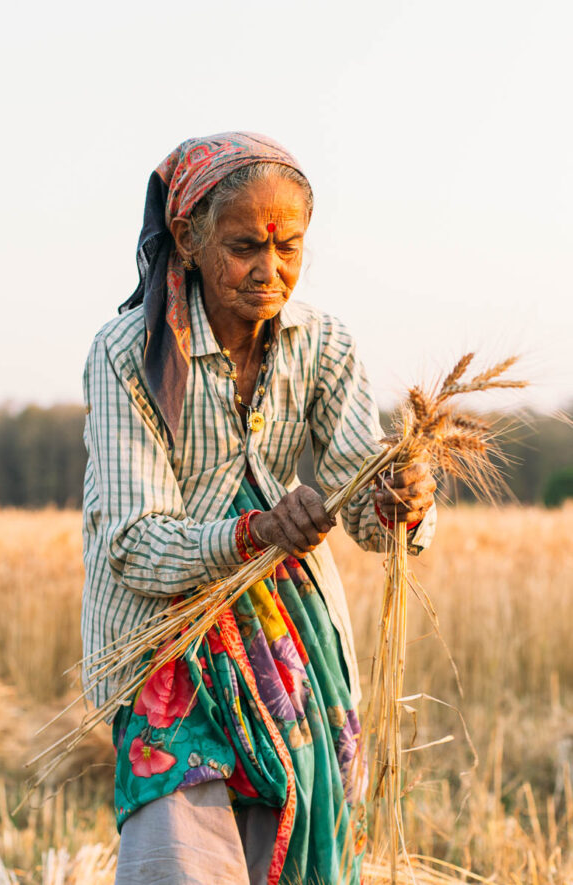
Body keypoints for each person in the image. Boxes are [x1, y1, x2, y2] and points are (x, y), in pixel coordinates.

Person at [81, 132, 436, 885]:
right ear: (188, 237)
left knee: (293, 825)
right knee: (178, 841)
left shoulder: (325, 346)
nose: (270, 270)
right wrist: (255, 530)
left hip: (291, 641)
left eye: (289, 247)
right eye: (245, 246)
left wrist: (402, 503)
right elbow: (135, 543)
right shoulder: (128, 356)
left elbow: (367, 509)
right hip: (167, 639)